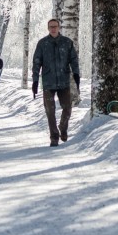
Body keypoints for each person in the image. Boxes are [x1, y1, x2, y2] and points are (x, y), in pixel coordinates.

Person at [31, 18, 80, 146]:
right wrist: (35, 80)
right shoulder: (42, 43)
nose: (53, 29)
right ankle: (54, 137)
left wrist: (76, 73)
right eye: (51, 27)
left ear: (59, 28)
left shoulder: (67, 43)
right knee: (50, 111)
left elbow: (74, 60)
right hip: (48, 82)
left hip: (64, 81)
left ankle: (63, 127)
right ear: (48, 28)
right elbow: (36, 62)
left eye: (55, 26)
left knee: (68, 108)